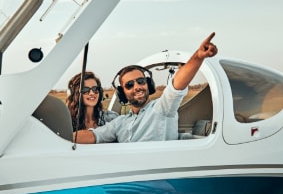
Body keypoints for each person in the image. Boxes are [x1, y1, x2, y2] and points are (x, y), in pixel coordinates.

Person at [73, 33, 218, 144]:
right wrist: (58, 138)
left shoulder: (161, 109)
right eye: (129, 85)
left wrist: (198, 56)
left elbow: (176, 87)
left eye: (141, 81)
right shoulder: (119, 122)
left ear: (148, 84)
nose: (137, 87)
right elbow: (94, 135)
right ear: (122, 93)